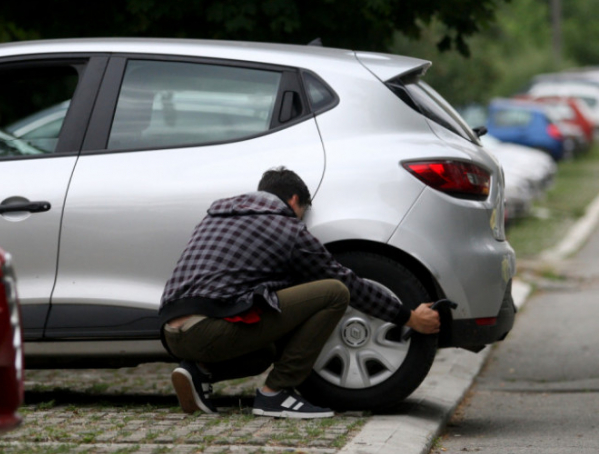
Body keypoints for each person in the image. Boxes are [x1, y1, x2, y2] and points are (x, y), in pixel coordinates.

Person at [159, 167, 440, 418]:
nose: (302, 219)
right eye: (304, 212)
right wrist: (408, 317)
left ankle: (199, 371)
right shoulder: (286, 226)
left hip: (172, 334)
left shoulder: (216, 216)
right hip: (209, 332)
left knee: (265, 353)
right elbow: (348, 282)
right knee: (334, 292)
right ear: (294, 200)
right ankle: (275, 394)